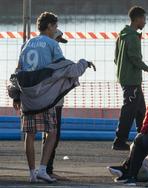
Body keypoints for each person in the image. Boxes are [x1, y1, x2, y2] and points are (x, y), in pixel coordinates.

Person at [10, 12, 95, 183]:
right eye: (55, 26)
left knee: (30, 134)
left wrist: (16, 95)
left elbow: (18, 70)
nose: (55, 29)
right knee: (53, 132)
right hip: (44, 96)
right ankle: (43, 169)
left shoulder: (26, 44)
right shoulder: (52, 45)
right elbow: (62, 68)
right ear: (49, 26)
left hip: (27, 96)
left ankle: (32, 173)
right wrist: (83, 64)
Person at [113, 6, 148, 150]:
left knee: (141, 111)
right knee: (128, 110)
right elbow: (135, 60)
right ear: (137, 19)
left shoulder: (121, 35)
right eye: (144, 19)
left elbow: (116, 58)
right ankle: (120, 140)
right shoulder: (132, 37)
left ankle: (143, 137)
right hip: (131, 80)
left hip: (126, 78)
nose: (145, 22)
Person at [42, 29, 67, 177]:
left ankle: (46, 168)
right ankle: (47, 169)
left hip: (54, 100)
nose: (59, 44)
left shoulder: (51, 53)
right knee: (53, 135)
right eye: (58, 40)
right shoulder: (51, 56)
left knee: (50, 134)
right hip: (53, 101)